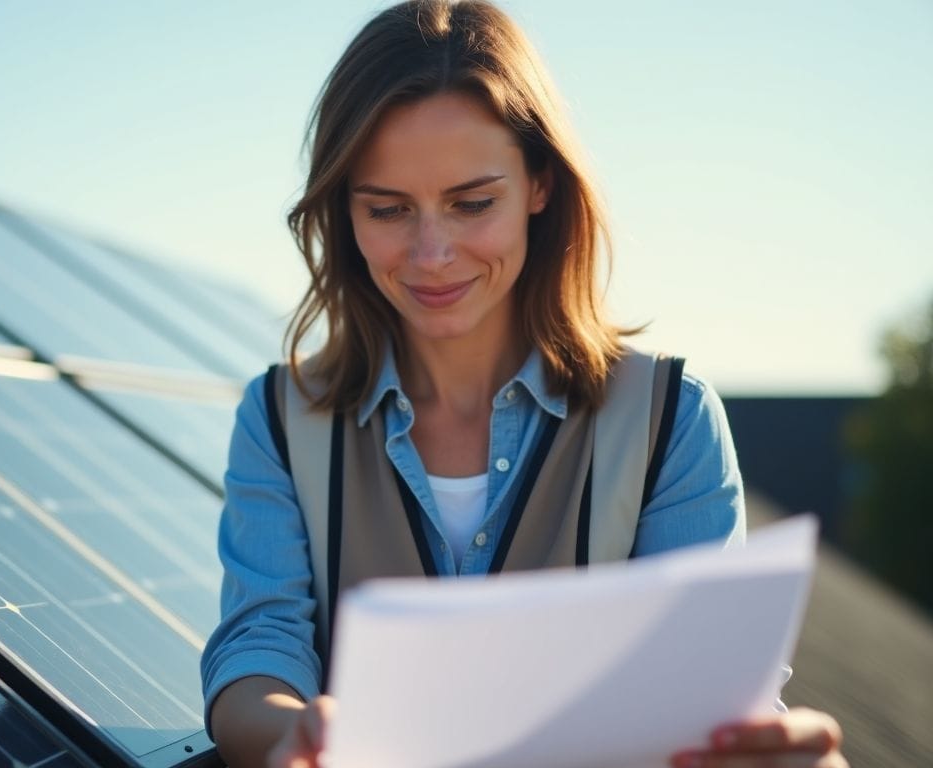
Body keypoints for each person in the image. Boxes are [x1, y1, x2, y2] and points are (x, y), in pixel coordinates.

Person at [200, 2, 847, 766]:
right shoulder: (280, 419)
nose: (431, 253)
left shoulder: (668, 420)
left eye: (473, 203)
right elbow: (258, 645)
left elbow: (714, 698)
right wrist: (295, 730)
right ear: (342, 210)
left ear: (540, 184)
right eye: (387, 209)